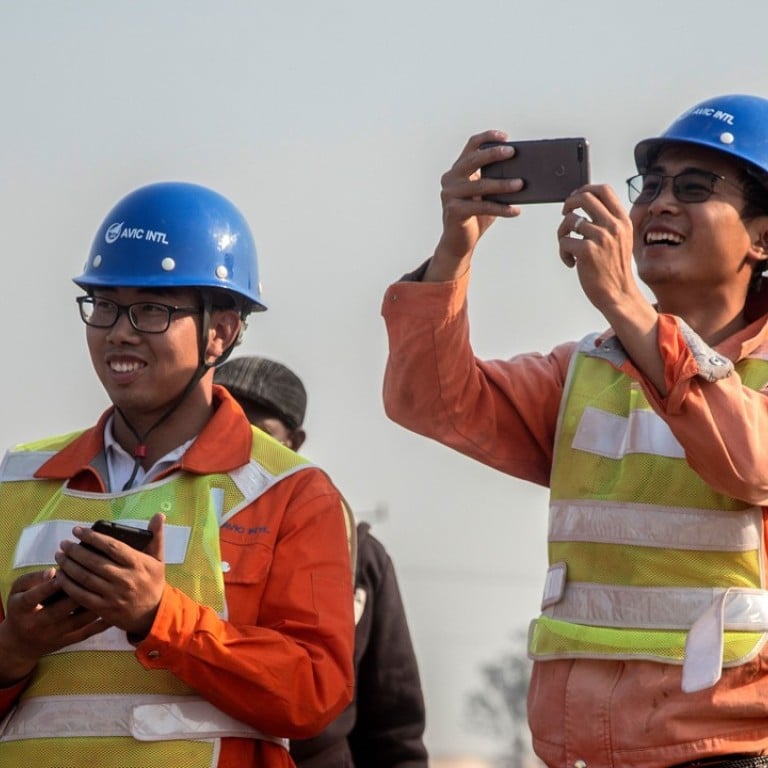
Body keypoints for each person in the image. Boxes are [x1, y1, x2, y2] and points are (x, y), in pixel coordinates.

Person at [381, 93, 768, 768]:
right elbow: (430, 401)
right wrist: (452, 255)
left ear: (762, 236)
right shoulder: (588, 369)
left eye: (696, 187)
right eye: (651, 186)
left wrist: (626, 305)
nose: (659, 204)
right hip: (582, 754)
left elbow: (750, 462)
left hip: (732, 751)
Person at [0, 181, 355, 768]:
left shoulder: (291, 493)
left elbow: (315, 691)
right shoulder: (17, 481)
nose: (118, 329)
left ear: (222, 332)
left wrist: (159, 619)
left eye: (151, 310)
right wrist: (13, 649)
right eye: (105, 305)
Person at [214, 355, 429, 768]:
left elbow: (393, 728)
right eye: (225, 425)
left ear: (295, 443)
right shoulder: (172, 531)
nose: (242, 444)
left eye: (261, 433)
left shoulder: (356, 554)